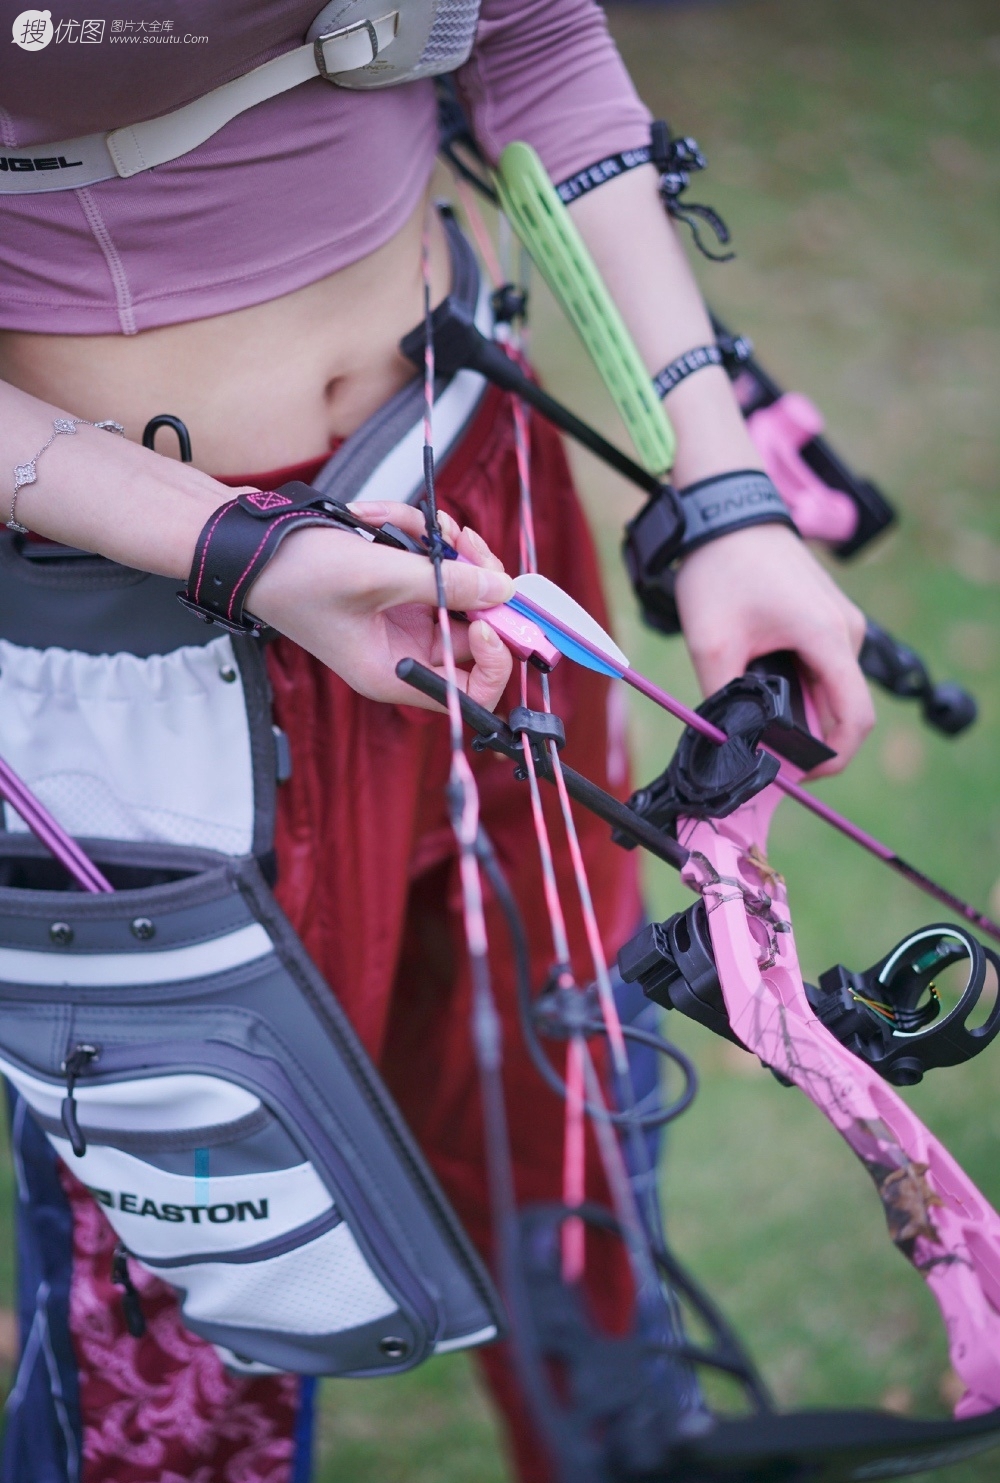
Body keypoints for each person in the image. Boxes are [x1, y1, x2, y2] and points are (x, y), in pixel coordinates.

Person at [0, 2, 874, 1479]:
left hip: (474, 515)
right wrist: (246, 552)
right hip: (141, 634)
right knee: (197, 1301)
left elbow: (532, 39)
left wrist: (725, 489)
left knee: (569, 1098)